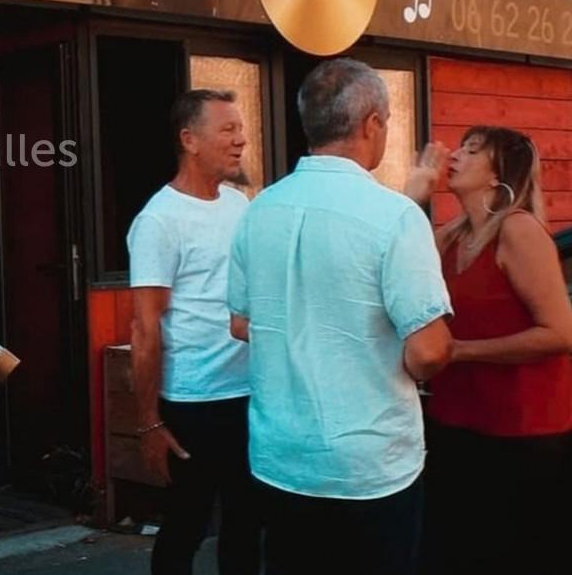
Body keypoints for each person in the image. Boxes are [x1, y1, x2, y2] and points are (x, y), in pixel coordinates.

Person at [227, 59, 453, 575]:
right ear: (371, 122)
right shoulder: (394, 217)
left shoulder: (258, 209)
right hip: (369, 463)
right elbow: (431, 348)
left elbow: (240, 324)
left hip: (279, 455)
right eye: (388, 120)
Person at [405, 127, 572, 575]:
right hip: (458, 422)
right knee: (457, 549)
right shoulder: (450, 237)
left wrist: (459, 351)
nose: (455, 155)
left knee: (516, 553)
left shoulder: (518, 230)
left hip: (523, 432)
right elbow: (395, 263)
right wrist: (413, 196)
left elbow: (560, 333)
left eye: (473, 150)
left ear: (499, 173)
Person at [128, 89, 260, 575]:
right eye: (227, 129)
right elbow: (144, 328)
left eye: (240, 129)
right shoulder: (159, 220)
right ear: (190, 139)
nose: (241, 140)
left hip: (249, 392)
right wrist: (148, 421)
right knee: (187, 523)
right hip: (193, 401)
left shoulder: (239, 204)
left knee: (247, 523)